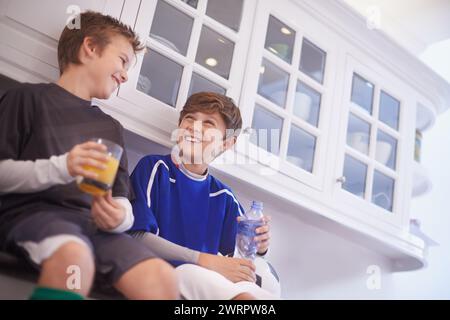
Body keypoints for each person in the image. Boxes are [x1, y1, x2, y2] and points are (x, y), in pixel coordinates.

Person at [0, 11, 178, 300]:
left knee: (162, 279)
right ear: (90, 48)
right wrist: (62, 167)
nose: (125, 74)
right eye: (122, 60)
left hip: (95, 229)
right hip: (33, 216)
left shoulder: (111, 127)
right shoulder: (27, 99)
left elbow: (122, 200)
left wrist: (118, 217)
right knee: (75, 263)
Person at [129, 92, 278, 300]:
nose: (194, 127)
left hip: (208, 283)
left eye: (208, 123)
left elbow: (240, 258)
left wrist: (261, 247)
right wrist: (203, 260)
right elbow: (135, 236)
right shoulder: (155, 168)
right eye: (189, 118)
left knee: (268, 289)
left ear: (227, 143)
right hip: (170, 275)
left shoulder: (224, 197)